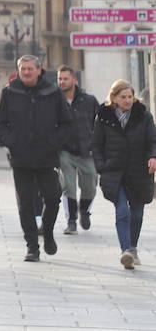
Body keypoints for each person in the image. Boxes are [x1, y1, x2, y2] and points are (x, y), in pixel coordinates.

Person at [0, 55, 74, 261]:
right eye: (23, 69)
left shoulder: (53, 92)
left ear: (39, 70)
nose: (26, 72)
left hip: (47, 157)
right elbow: (0, 124)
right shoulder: (10, 92)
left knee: (53, 198)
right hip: (21, 158)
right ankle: (32, 246)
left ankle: (47, 233)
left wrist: (53, 142)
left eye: (30, 68)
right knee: (26, 204)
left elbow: (67, 123)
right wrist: (12, 142)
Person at [91, 79, 156, 269]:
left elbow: (153, 140)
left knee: (136, 214)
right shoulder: (103, 117)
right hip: (114, 171)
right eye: (123, 97)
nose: (128, 100)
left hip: (139, 172)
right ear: (114, 98)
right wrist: (101, 166)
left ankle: (133, 248)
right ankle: (126, 251)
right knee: (122, 211)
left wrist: (153, 157)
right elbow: (96, 145)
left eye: (130, 96)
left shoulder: (144, 116)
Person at [56, 66, 99, 234]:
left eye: (65, 78)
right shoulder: (54, 100)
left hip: (86, 149)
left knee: (90, 186)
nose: (62, 82)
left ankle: (84, 210)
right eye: (60, 78)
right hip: (64, 150)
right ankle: (71, 221)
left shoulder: (89, 100)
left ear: (74, 80)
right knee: (68, 185)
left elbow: (100, 123)